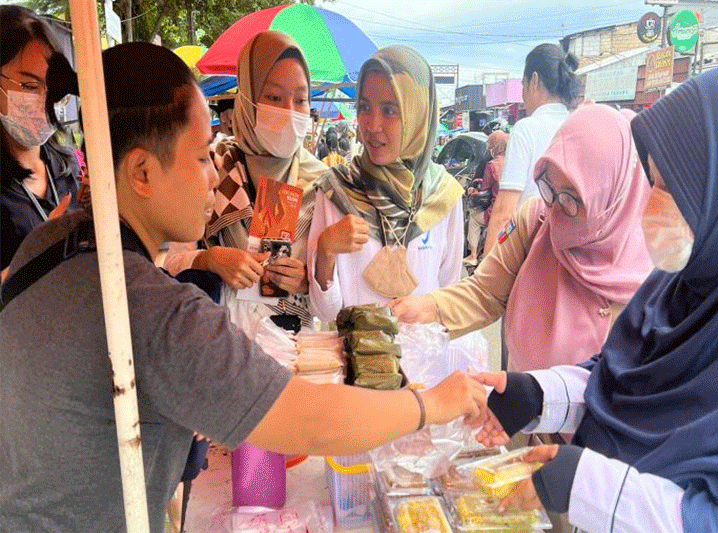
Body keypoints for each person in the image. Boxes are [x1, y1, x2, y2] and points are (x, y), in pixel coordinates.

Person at [0, 42, 488, 533]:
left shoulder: (48, 242)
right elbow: (311, 420)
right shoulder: (157, 311)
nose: (214, 175)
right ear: (142, 172)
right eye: (200, 157)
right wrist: (432, 405)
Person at [474, 64, 718, 533]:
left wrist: (588, 485)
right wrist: (541, 392)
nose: (653, 206)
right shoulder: (679, 286)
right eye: (654, 182)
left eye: (674, 189)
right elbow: (619, 374)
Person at [389, 104, 653, 372]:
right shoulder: (536, 220)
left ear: (614, 197)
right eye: (549, 186)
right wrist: (429, 308)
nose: (555, 208)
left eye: (572, 198)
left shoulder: (659, 264)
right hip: (524, 402)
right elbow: (485, 292)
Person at [164, 31, 326, 333]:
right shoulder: (211, 166)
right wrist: (209, 259)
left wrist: (307, 281)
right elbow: (169, 263)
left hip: (296, 352)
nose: (290, 112)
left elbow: (334, 297)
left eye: (301, 100)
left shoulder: (322, 183)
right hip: (219, 347)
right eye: (275, 97)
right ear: (248, 97)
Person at [307, 45, 464, 322]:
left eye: (390, 110)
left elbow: (448, 297)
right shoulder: (337, 191)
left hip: (423, 361)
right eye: (365, 107)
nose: (372, 124)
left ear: (418, 114)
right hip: (355, 360)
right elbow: (325, 313)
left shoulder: (444, 196)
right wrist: (326, 249)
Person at [0, 5, 81, 281]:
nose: (45, 100)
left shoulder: (67, 165)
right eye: (30, 86)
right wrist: (34, 258)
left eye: (53, 88)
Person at [484, 43, 577, 256]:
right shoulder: (576, 124)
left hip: (531, 251)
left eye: (523, 85)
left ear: (534, 81)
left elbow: (503, 213)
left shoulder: (527, 128)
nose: (523, 95)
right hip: (569, 255)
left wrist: (484, 278)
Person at [464, 130, 507, 265]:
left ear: (494, 145)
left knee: (473, 218)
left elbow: (485, 189)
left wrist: (473, 191)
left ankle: (473, 255)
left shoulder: (492, 165)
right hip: (511, 209)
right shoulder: (513, 161)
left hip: (495, 211)